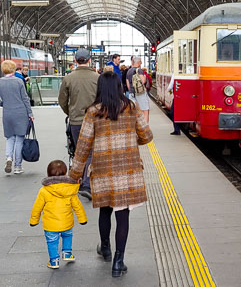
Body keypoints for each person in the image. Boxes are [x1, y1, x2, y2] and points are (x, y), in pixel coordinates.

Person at [68, 72, 153, 277]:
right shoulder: (131, 108)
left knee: (105, 210)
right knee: (123, 214)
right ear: (119, 87)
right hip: (127, 170)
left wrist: (75, 174)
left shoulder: (93, 111)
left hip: (102, 169)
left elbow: (83, 146)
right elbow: (147, 135)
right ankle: (118, 261)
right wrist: (132, 142)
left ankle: (105, 248)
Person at [29, 160, 87, 269]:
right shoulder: (70, 189)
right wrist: (82, 219)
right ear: (65, 173)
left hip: (50, 225)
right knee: (67, 236)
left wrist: (34, 221)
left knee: (52, 241)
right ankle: (67, 253)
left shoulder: (44, 190)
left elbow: (37, 207)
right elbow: (77, 206)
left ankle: (54, 260)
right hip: (67, 222)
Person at [58, 48, 99, 200]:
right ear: (89, 60)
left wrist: (70, 112)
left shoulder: (68, 78)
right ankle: (87, 184)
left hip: (75, 121)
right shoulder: (97, 77)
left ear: (75, 60)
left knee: (78, 152)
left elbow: (62, 100)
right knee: (90, 152)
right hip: (94, 121)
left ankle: (79, 180)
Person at [0, 60, 34, 174]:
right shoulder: (19, 81)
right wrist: (30, 114)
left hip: (7, 113)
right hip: (21, 113)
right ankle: (18, 166)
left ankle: (9, 158)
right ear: (14, 69)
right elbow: (25, 99)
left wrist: (4, 104)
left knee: (10, 138)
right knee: (20, 139)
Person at [126, 57, 150, 122]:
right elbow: (143, 81)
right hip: (140, 93)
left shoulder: (129, 71)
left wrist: (131, 90)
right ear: (138, 62)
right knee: (145, 110)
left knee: (134, 111)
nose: (141, 63)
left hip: (131, 93)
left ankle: (134, 127)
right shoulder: (139, 70)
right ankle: (145, 127)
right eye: (140, 62)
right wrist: (145, 76)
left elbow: (127, 83)